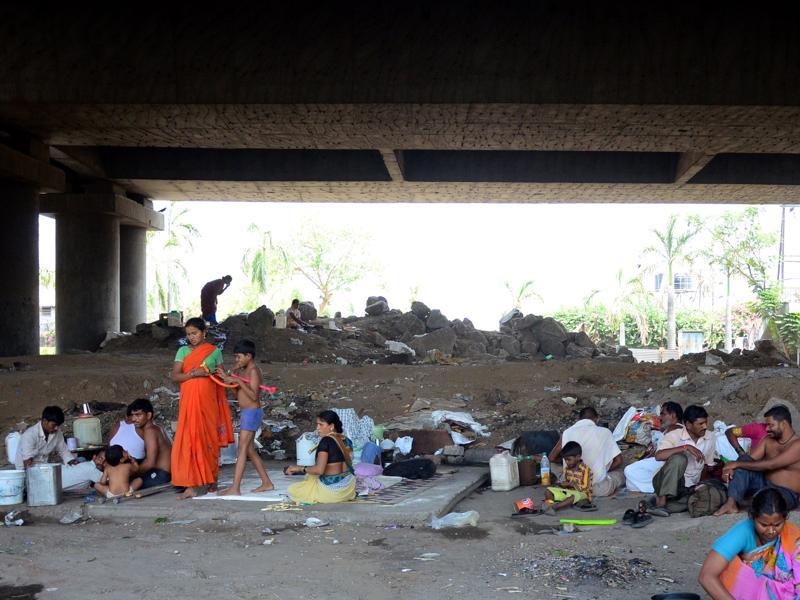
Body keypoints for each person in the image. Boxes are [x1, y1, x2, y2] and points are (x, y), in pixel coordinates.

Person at [170, 317, 234, 499]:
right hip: (189, 402)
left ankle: (211, 481)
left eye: (195, 333)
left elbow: (221, 376)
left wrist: (227, 376)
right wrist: (194, 373)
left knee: (209, 439)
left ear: (204, 332)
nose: (192, 337)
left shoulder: (214, 352)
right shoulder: (182, 351)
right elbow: (175, 376)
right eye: (188, 334)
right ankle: (191, 485)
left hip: (208, 402)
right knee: (190, 439)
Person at [700, 487, 800, 599]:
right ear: (753, 517)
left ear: (785, 518)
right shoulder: (742, 532)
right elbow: (707, 576)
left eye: (777, 525)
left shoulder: (793, 535)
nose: (771, 531)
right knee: (729, 564)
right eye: (764, 525)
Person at [715, 405, 800, 516]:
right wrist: (731, 467)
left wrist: (735, 464)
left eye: (770, 425)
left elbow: (772, 465)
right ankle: (731, 503)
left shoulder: (797, 444)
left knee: (769, 503)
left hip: (786, 492)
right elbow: (748, 460)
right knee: (744, 460)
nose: (767, 429)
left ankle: (749, 500)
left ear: (783, 424)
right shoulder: (768, 440)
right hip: (763, 483)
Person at [216, 339, 274, 496]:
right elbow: (239, 393)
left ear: (249, 356)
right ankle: (267, 483)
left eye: (239, 357)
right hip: (247, 412)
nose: (237, 360)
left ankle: (235, 488)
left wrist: (238, 381)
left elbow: (254, 397)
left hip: (252, 413)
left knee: (241, 450)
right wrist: (230, 379)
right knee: (249, 450)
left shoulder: (254, 371)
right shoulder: (243, 372)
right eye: (235, 357)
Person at [650, 404, 717, 516]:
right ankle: (661, 501)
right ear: (688, 425)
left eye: (706, 422)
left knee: (697, 502)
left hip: (687, 487)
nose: (705, 426)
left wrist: (701, 486)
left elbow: (707, 465)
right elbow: (659, 456)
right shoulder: (674, 435)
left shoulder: (710, 437)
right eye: (700, 424)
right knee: (679, 458)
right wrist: (685, 447)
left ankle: (653, 505)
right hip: (663, 483)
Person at [549, 406, 624, 497]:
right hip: (597, 489)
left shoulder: (567, 432)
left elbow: (552, 458)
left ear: (579, 419)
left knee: (552, 464)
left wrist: (566, 460)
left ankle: (565, 482)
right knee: (622, 472)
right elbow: (619, 461)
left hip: (572, 484)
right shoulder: (605, 432)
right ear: (597, 419)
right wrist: (601, 469)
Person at [285, 410, 356, 504]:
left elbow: (319, 470)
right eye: (317, 424)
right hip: (349, 488)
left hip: (332, 492)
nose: (317, 428)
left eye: (321, 425)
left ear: (332, 426)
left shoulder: (325, 441)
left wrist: (299, 468)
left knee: (293, 489)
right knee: (311, 476)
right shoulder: (347, 440)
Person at [624, 402, 684, 493]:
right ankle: (659, 485)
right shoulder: (671, 429)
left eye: (663, 414)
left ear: (673, 415)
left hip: (665, 464)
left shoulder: (675, 429)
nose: (660, 418)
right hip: (661, 463)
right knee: (630, 484)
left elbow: (661, 455)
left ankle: (661, 487)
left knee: (628, 470)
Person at [14, 406, 78, 470]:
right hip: (26, 470)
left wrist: (72, 462)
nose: (56, 428)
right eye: (54, 425)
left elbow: (63, 450)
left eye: (58, 425)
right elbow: (27, 463)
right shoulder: (29, 435)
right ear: (45, 421)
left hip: (44, 467)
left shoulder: (57, 433)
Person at [128, 398, 172, 489]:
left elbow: (150, 463)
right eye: (132, 415)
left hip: (160, 475)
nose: (133, 419)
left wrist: (131, 473)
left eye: (138, 415)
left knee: (124, 485)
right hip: (164, 473)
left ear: (148, 415)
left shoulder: (150, 431)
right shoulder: (157, 427)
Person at [543, 441, 593, 513]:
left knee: (574, 496)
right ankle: (549, 504)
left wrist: (572, 484)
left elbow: (584, 489)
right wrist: (561, 484)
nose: (566, 462)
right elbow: (566, 484)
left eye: (569, 459)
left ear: (578, 457)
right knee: (548, 490)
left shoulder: (585, 470)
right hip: (569, 492)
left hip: (583, 495)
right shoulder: (567, 468)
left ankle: (554, 507)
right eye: (565, 460)